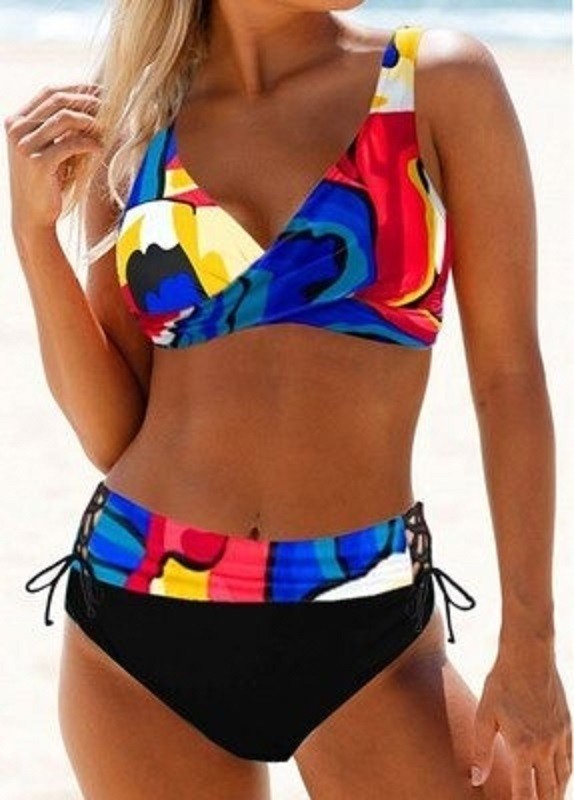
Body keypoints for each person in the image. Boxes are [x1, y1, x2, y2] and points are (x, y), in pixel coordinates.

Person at [5, 1, 571, 798]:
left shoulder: (434, 83)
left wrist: (530, 644)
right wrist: (35, 239)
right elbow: (114, 431)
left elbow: (509, 378)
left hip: (364, 613)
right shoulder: (138, 123)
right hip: (140, 614)